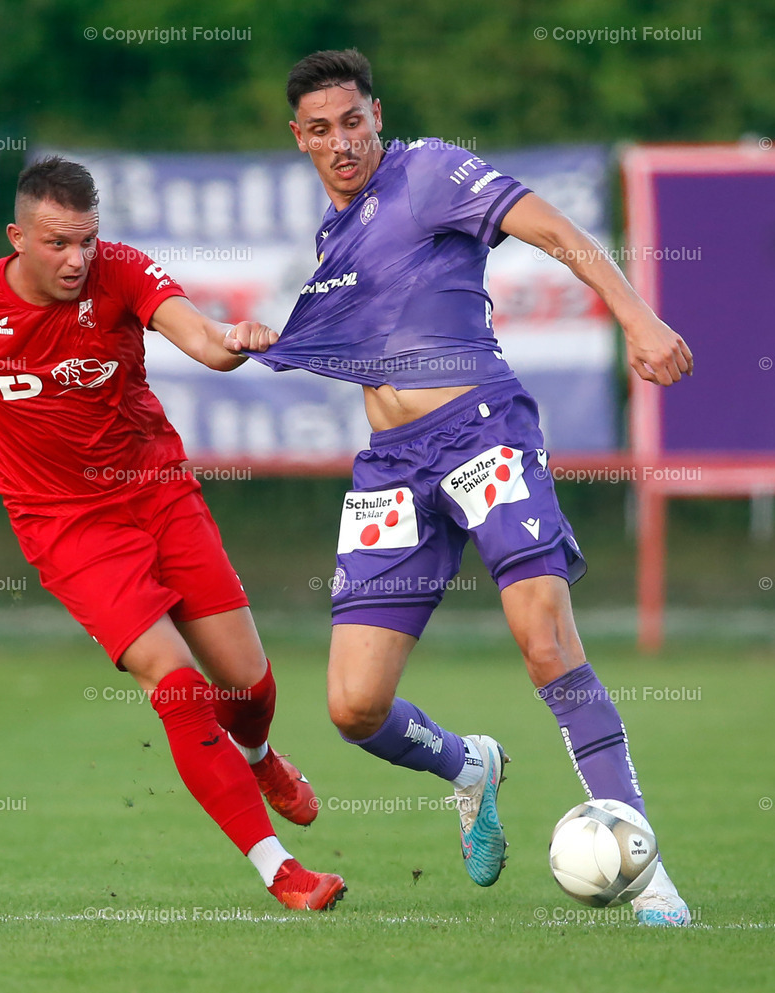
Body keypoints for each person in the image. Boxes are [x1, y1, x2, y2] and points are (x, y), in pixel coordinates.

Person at [234, 48, 693, 925]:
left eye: (354, 121)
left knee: (546, 642)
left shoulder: (430, 171)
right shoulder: (333, 242)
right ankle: (468, 765)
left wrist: (638, 315)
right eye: (321, 130)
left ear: (379, 113)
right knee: (353, 707)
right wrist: (242, 338)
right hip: (393, 467)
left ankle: (646, 871)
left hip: (482, 432)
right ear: (299, 139)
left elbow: (554, 230)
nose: (342, 142)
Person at [0, 156, 345, 911]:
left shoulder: (121, 273)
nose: (76, 259)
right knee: (179, 683)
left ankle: (258, 753)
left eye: (86, 240)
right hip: (65, 525)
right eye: (56, 243)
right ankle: (281, 870)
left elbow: (205, 342)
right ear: (17, 237)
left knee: (248, 685)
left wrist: (236, 339)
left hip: (158, 494)